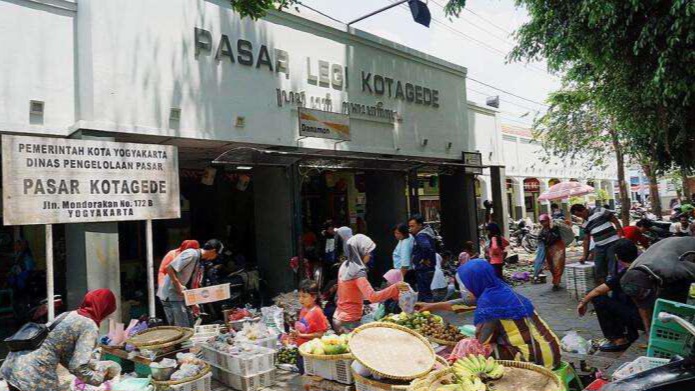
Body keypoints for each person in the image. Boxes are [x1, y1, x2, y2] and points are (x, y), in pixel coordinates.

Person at [416, 260, 561, 369]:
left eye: (466, 285)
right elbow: (466, 303)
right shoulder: (498, 289)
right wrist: (432, 306)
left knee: (468, 344)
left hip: (535, 359)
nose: (465, 289)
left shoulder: (489, 302)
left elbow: (482, 339)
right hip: (553, 350)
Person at [1, 289, 119, 391]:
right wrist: (99, 378)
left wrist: (94, 366)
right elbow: (77, 366)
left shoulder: (68, 315)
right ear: (104, 308)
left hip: (12, 366)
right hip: (33, 376)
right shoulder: (89, 325)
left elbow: (66, 355)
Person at [577, 239, 643, 352]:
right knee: (617, 293)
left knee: (599, 299)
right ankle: (630, 334)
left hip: (639, 317)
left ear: (617, 257)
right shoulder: (642, 265)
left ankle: (619, 339)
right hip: (646, 315)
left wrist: (583, 302)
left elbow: (597, 291)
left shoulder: (627, 273)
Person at [619, 237, 695, 334]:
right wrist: (648, 330)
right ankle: (669, 329)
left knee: (674, 299)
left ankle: (676, 329)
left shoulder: (671, 270)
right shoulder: (629, 277)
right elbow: (641, 305)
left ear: (652, 280)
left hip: (688, 247)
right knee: (665, 302)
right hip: (664, 254)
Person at [333, 234, 407, 333]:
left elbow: (352, 291)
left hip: (338, 317)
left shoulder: (345, 265)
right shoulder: (358, 272)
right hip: (349, 321)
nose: (370, 255)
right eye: (368, 252)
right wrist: (395, 287)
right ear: (360, 252)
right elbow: (373, 297)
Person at [157, 239, 223, 327]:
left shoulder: (199, 261)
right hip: (171, 296)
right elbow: (169, 268)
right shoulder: (191, 254)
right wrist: (178, 285)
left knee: (191, 326)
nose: (216, 257)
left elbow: (192, 283)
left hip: (179, 297)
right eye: (217, 254)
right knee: (183, 329)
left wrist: (193, 302)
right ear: (213, 251)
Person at [570, 204, 623, 284]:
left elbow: (614, 220)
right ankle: (603, 292)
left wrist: (620, 234)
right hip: (599, 246)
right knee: (599, 269)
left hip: (612, 243)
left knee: (613, 268)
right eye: (578, 216)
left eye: (580, 214)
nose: (581, 217)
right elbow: (586, 239)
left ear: (584, 209)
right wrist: (585, 256)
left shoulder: (599, 210)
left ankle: (616, 289)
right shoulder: (584, 223)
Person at [408, 215, 437, 302]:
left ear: (420, 225)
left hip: (423, 269)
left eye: (412, 226)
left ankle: (427, 312)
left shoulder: (421, 236)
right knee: (424, 293)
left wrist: (424, 259)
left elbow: (426, 247)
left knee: (425, 294)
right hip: (427, 268)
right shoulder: (427, 234)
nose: (410, 229)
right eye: (409, 226)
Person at [538, 214, 566, 291]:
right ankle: (556, 280)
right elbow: (540, 238)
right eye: (541, 222)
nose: (542, 223)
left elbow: (556, 237)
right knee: (551, 266)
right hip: (548, 249)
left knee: (558, 265)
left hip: (557, 248)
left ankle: (556, 283)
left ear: (548, 220)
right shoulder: (542, 230)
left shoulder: (554, 227)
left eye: (544, 221)